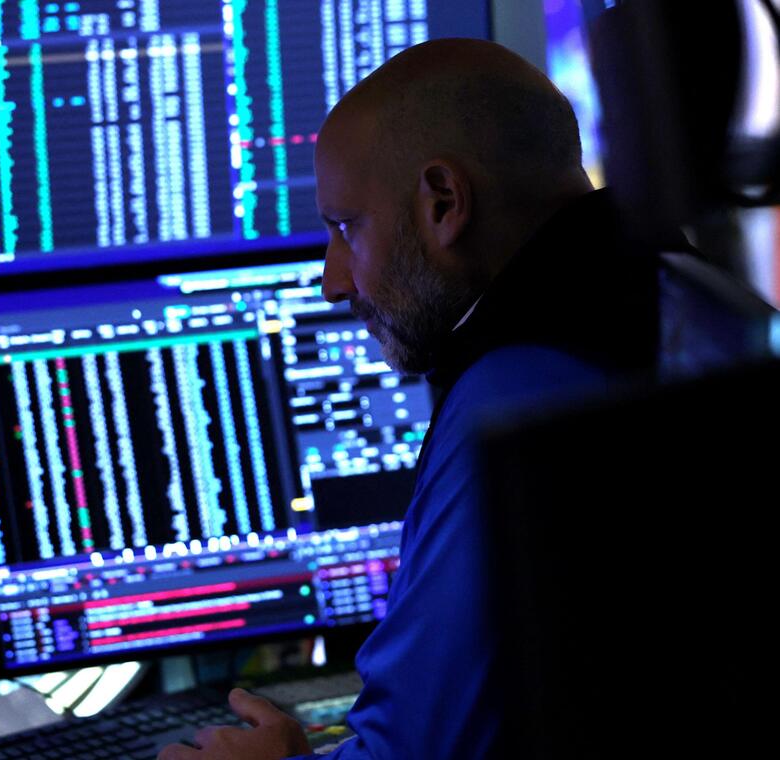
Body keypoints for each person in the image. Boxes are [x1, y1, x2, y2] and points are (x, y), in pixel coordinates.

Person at [159, 37, 662, 760]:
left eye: (344, 228)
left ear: (444, 202)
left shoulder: (518, 398)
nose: (334, 280)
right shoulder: (683, 292)